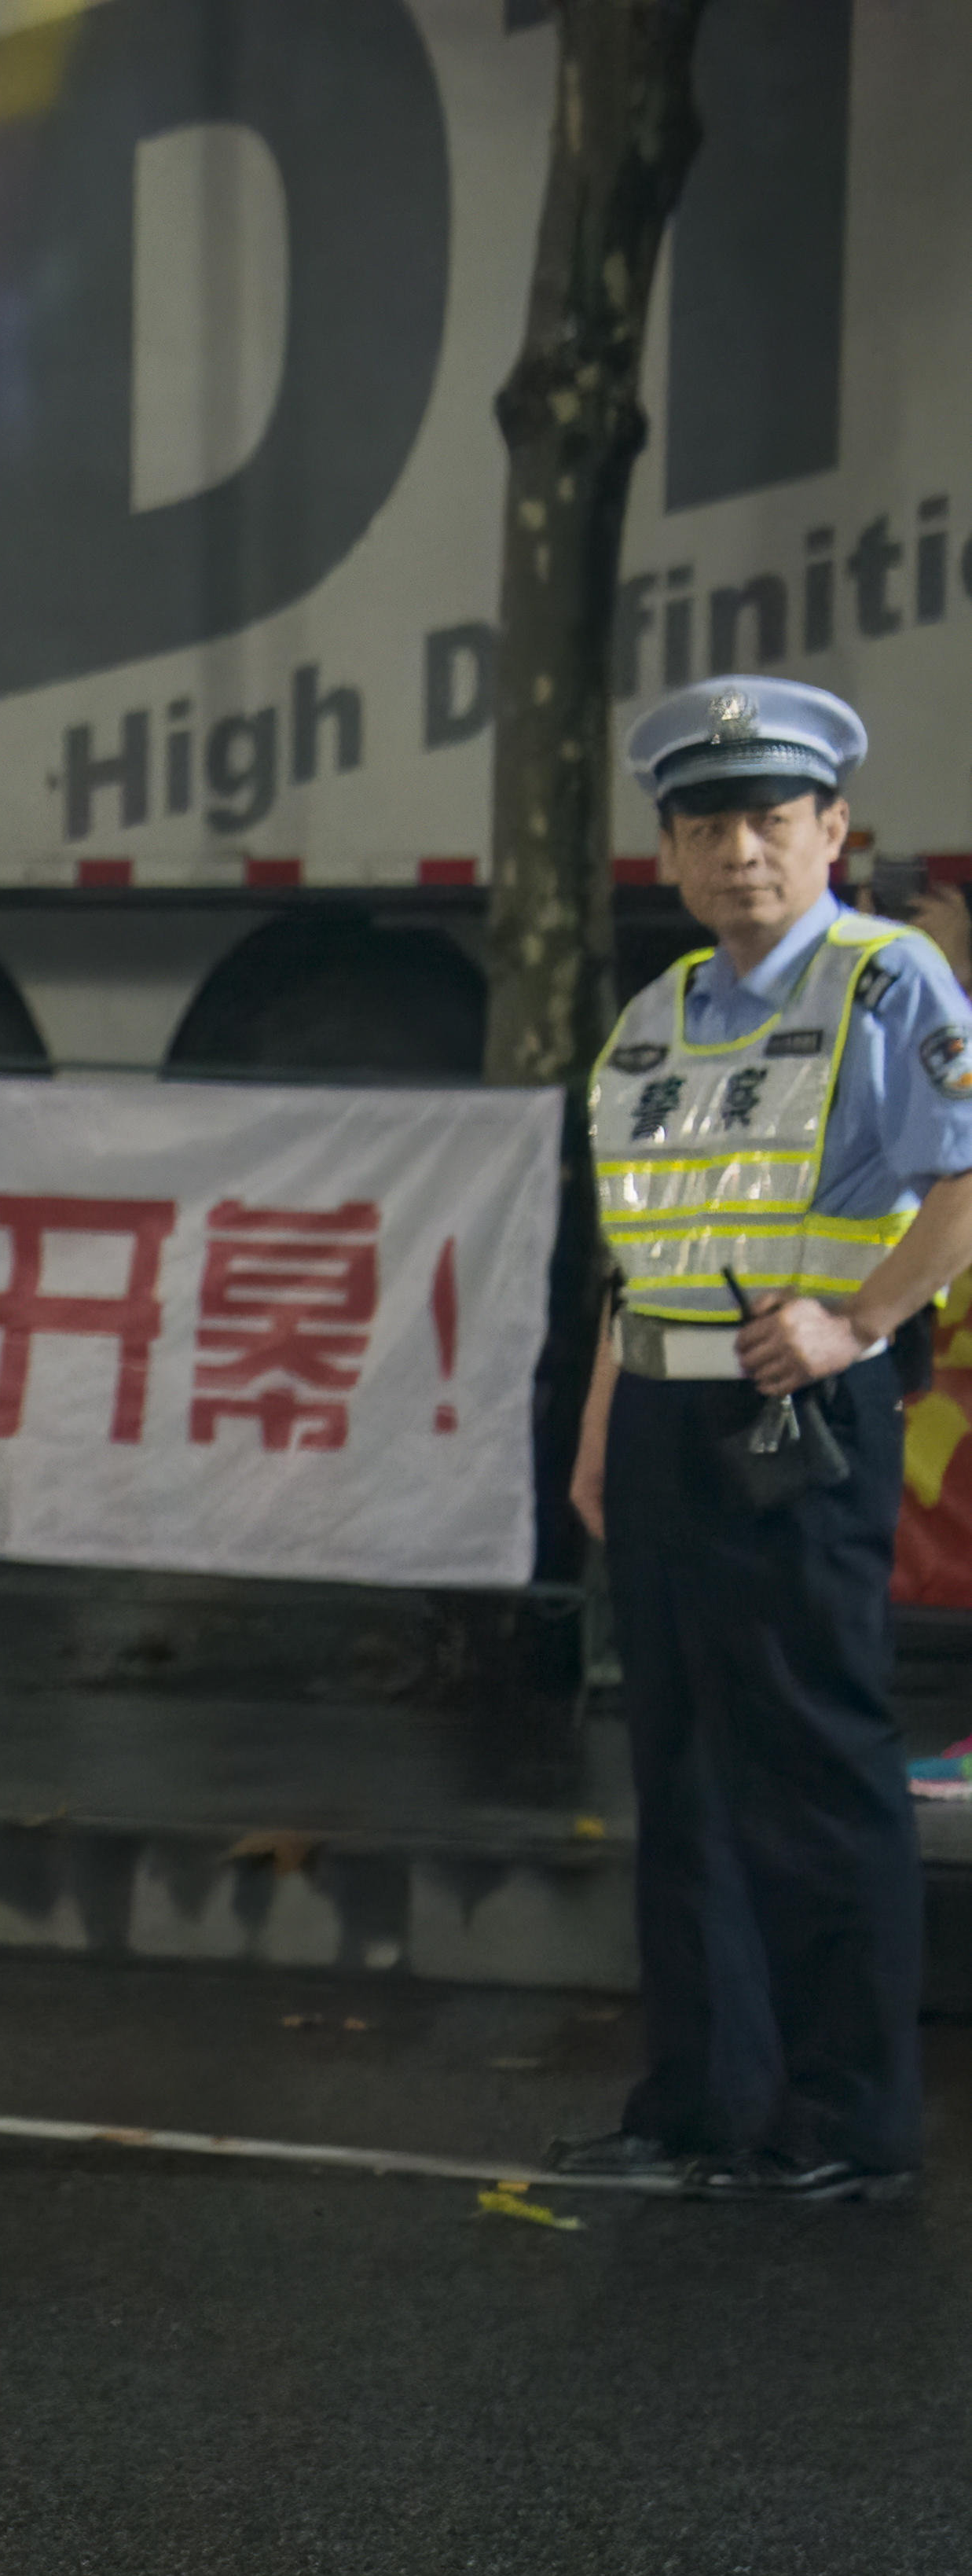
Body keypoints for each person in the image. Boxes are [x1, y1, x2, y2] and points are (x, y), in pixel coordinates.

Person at [549, 682, 972, 2207]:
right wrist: (601, 1420)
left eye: (768, 820)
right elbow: (638, 1248)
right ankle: (698, 2102)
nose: (739, 851)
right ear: (662, 852)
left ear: (829, 832)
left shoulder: (885, 982)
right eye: (704, 824)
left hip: (796, 1409)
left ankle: (847, 2118)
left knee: (808, 1761)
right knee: (677, 1764)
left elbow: (959, 1186)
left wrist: (853, 1323)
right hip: (662, 1417)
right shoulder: (651, 1017)